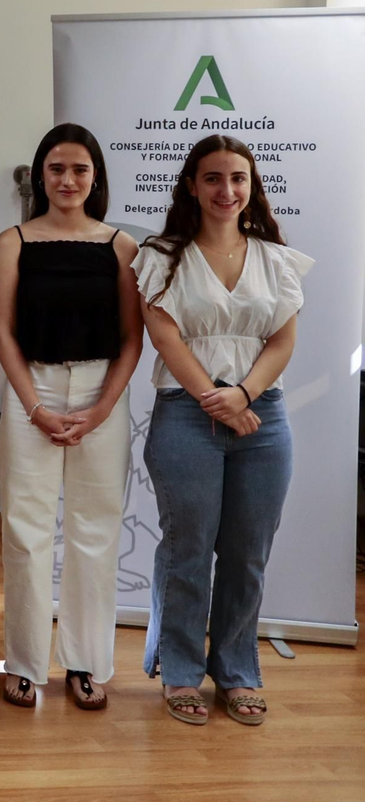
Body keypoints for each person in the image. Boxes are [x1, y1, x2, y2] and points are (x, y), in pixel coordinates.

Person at [134, 135, 309, 728]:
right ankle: (181, 671)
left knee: (246, 554)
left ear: (251, 185)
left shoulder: (276, 257)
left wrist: (243, 396)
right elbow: (165, 338)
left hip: (263, 416)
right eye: (213, 178)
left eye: (237, 178)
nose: (226, 190)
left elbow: (282, 341)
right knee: (187, 550)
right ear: (191, 185)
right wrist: (217, 400)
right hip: (185, 412)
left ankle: (236, 671)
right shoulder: (161, 256)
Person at [0, 124, 142, 710]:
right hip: (34, 386)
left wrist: (101, 407)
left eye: (79, 169)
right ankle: (25, 663)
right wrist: (33, 406)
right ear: (40, 175)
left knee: (94, 531)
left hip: (103, 389)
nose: (68, 180)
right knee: (26, 532)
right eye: (56, 169)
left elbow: (133, 338)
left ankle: (86, 663)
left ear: (95, 176)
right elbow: (1, 330)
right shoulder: (14, 242)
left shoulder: (122, 246)